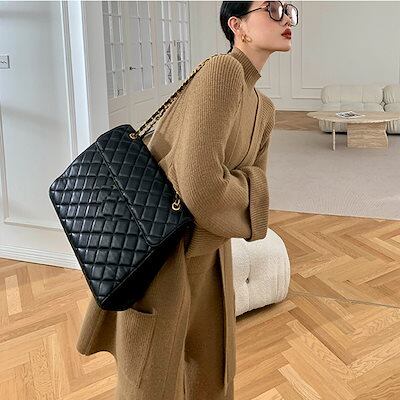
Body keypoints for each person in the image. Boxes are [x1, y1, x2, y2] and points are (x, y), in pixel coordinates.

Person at [76, 1, 297, 399]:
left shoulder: (264, 109)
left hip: (213, 255)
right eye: (273, 8)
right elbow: (203, 186)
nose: (287, 19)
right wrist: (245, 191)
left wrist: (241, 190)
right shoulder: (222, 71)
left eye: (290, 10)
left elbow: (249, 187)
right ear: (238, 26)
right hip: (166, 251)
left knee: (212, 378)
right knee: (151, 385)